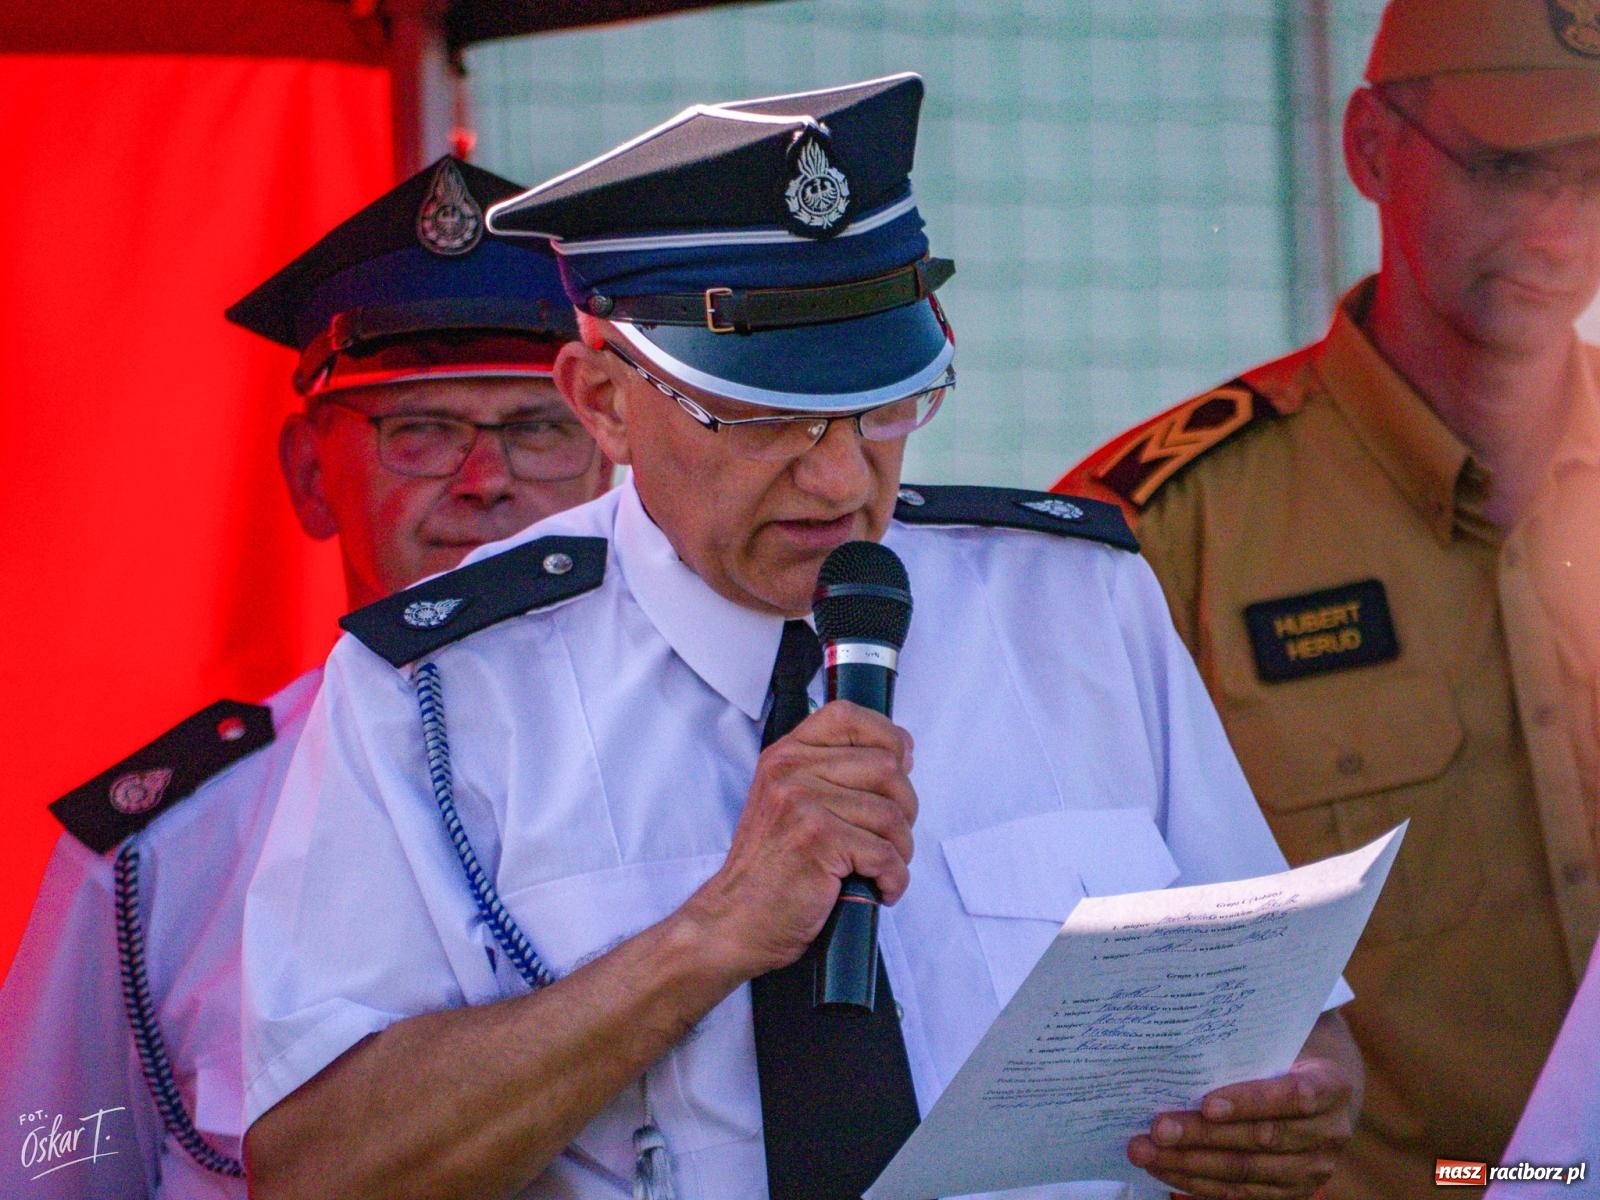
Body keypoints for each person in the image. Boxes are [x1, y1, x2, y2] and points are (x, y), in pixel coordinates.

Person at [241, 76, 1360, 1200]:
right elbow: (320, 1170)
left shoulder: (1073, 605)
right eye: (761, 417)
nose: (838, 481)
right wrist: (710, 936)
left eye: (886, 403)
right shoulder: (440, 690)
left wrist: (1291, 1106)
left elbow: (1291, 1020)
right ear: (601, 400)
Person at [1057, 2, 1600, 1196]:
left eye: (1598, 173)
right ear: (1368, 147)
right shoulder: (1156, 533)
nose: (1562, 228)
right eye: (1507, 168)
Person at [0, 155, 610, 1200]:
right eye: (419, 430)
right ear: (308, 475)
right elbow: (47, 1172)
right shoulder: (158, 856)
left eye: (538, 427)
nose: (487, 479)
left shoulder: (736, 770)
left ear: (612, 458)